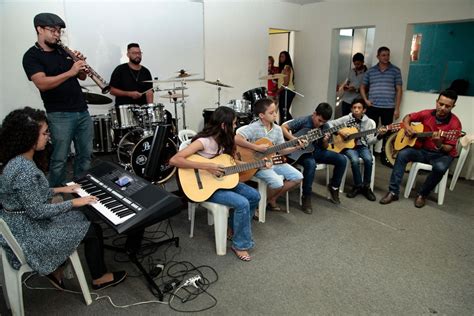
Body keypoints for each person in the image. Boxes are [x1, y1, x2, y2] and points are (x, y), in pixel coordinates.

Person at [0, 107, 127, 290]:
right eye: (44, 133)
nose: (48, 136)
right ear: (28, 138)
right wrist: (73, 201)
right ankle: (99, 277)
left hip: (19, 223)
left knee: (81, 215)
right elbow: (37, 211)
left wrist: (60, 189)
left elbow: (30, 194)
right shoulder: (24, 171)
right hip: (29, 233)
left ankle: (57, 269)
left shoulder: (16, 161)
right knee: (91, 229)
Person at [169, 107, 260, 261]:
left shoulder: (226, 140)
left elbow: (230, 162)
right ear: (224, 125)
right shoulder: (204, 142)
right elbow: (174, 160)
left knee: (254, 195)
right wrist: (207, 166)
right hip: (204, 186)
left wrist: (257, 164)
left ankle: (233, 227)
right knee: (242, 203)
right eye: (234, 123)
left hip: (222, 181)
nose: (236, 126)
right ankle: (240, 244)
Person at [22, 12, 93, 187]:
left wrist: (81, 66)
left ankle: (81, 189)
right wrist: (71, 71)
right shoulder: (32, 56)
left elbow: (82, 77)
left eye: (59, 31)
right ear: (39, 29)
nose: (57, 34)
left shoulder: (63, 51)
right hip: (60, 115)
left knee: (85, 155)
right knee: (60, 158)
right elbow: (42, 83)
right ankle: (56, 193)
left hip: (82, 110)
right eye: (52, 30)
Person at [380, 90, 462, 208]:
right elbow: (407, 117)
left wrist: (439, 143)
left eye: (447, 106)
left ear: (453, 107)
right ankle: (393, 192)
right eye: (441, 104)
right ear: (436, 102)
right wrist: (408, 128)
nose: (443, 108)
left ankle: (422, 194)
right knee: (402, 154)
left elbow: (448, 149)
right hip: (423, 150)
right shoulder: (427, 114)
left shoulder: (455, 124)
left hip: (442, 154)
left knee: (440, 168)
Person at [235, 98, 304, 211]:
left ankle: (269, 199)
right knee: (277, 182)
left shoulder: (277, 129)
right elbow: (236, 138)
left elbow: (281, 150)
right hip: (257, 164)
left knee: (298, 177)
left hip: (273, 160)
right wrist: (256, 147)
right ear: (261, 115)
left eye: (275, 112)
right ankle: (259, 204)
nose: (275, 115)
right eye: (271, 113)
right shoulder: (253, 127)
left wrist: (296, 147)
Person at [282, 103, 347, 213]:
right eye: (319, 120)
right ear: (314, 114)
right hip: (303, 153)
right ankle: (306, 196)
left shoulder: (325, 127)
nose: (320, 124)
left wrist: (325, 140)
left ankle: (334, 187)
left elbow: (325, 147)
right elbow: (283, 127)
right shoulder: (304, 120)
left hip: (317, 151)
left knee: (342, 159)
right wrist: (295, 140)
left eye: (324, 122)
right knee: (311, 164)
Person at [330, 99, 387, 201]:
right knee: (355, 160)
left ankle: (366, 187)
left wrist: (379, 136)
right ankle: (357, 185)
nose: (356, 110)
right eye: (354, 108)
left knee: (369, 160)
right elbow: (330, 124)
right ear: (351, 109)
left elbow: (370, 141)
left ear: (364, 110)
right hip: (348, 146)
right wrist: (340, 132)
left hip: (362, 146)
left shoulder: (369, 122)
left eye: (359, 108)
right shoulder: (347, 118)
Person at [277, 51, 296, 122]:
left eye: (282, 56)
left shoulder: (287, 67)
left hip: (287, 92)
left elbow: (286, 83)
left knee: (284, 112)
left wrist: (277, 92)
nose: (280, 58)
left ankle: (293, 125)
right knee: (284, 112)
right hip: (285, 91)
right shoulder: (284, 68)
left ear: (286, 58)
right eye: (280, 56)